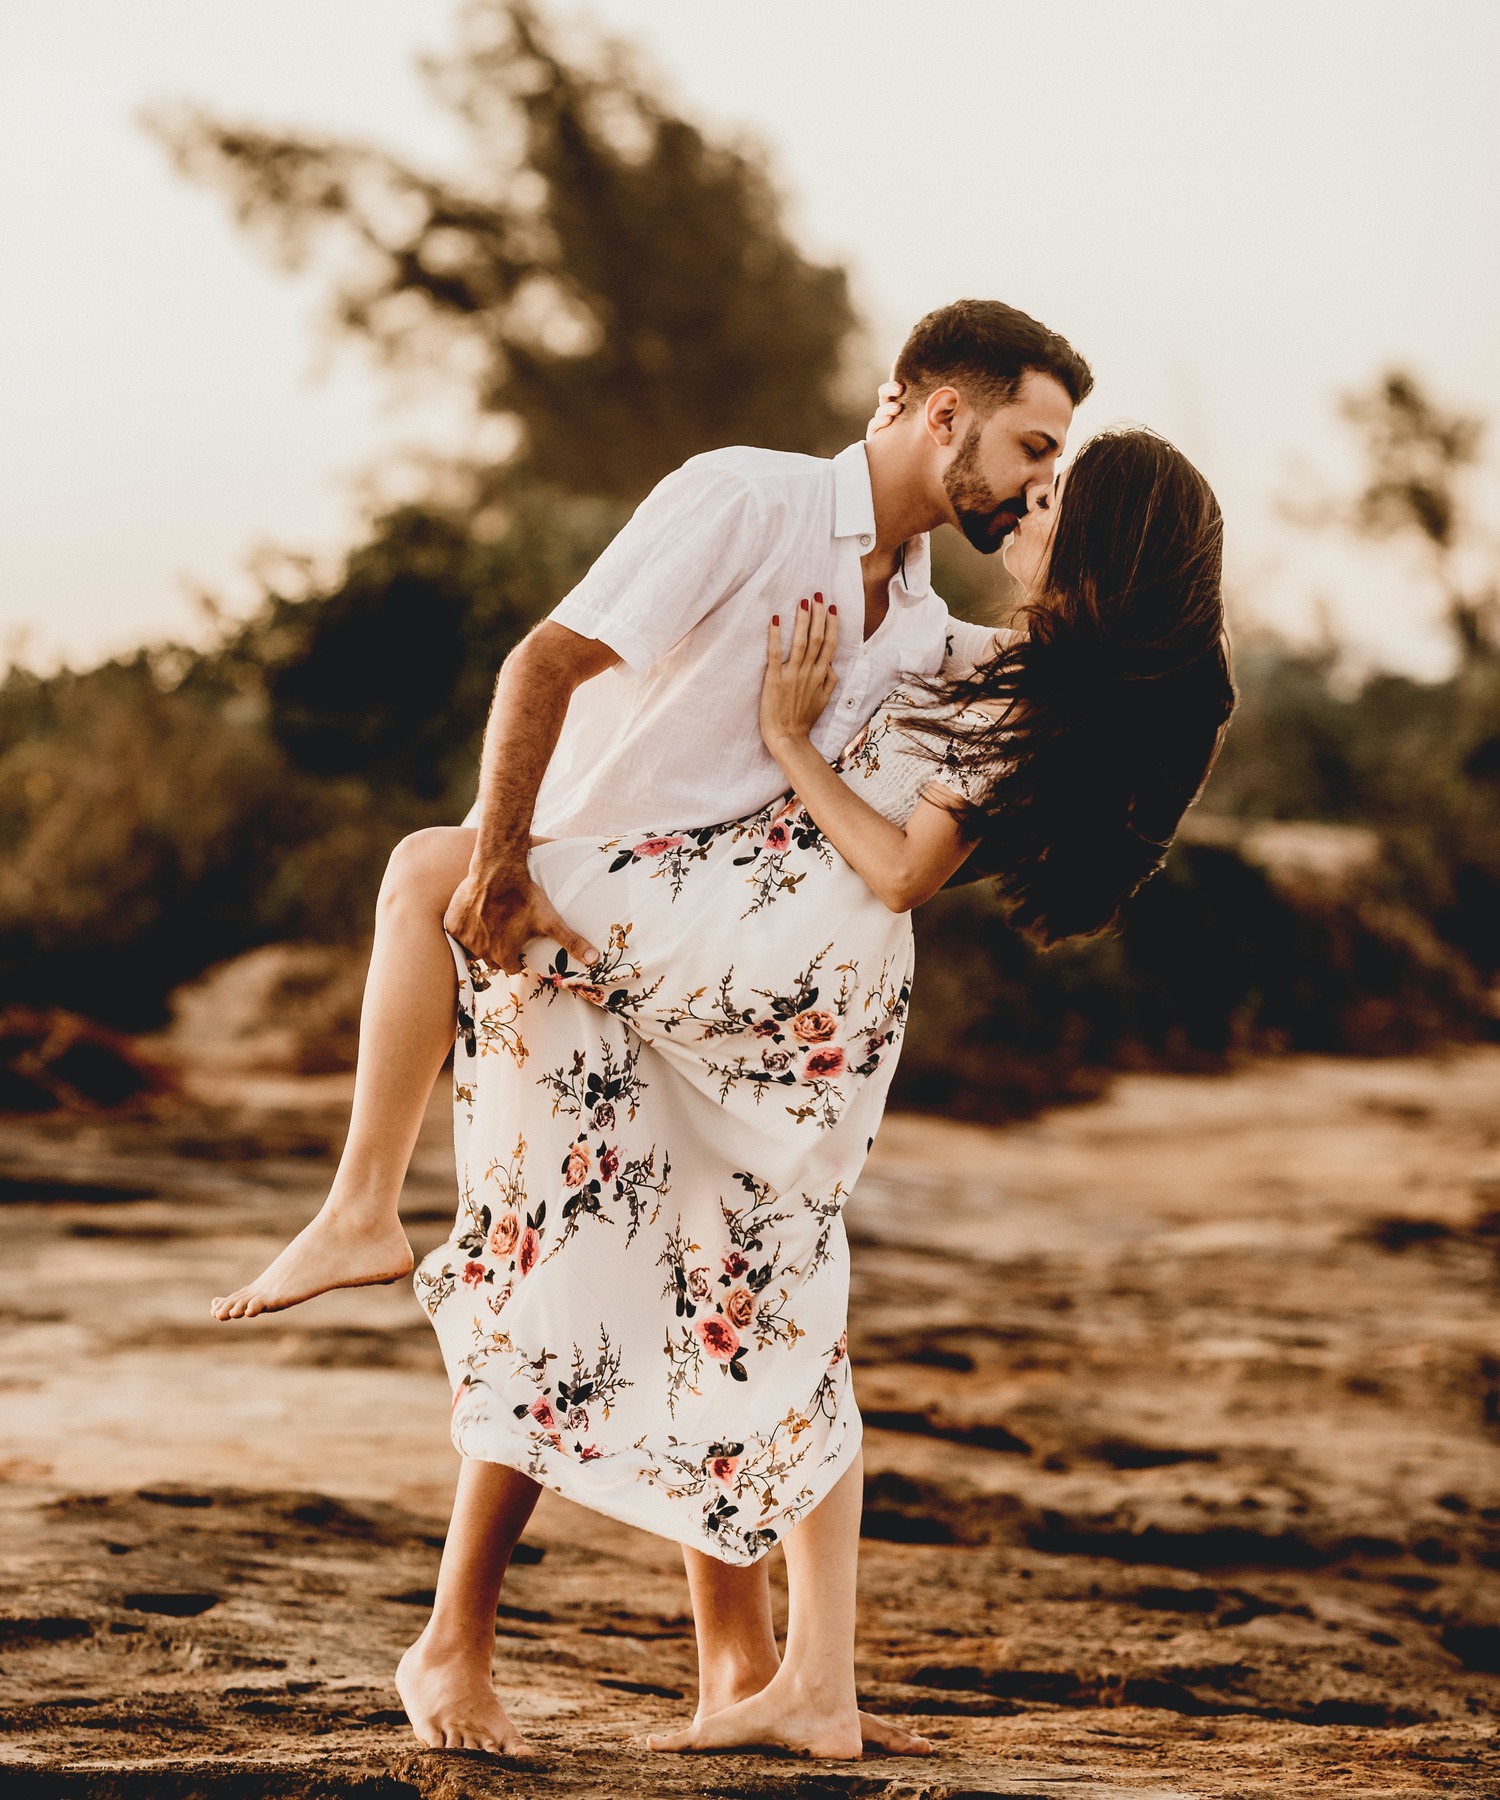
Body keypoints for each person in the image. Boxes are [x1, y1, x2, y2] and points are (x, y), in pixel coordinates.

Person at [211, 307, 1230, 1759]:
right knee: (732, 1295)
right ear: (939, 415)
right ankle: (747, 1672)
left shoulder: (950, 640)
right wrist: (521, 854)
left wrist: (782, 739)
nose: (1030, 484)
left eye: (1058, 474)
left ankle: (364, 1218)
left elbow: (897, 853)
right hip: (696, 968)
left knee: (441, 925)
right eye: (1030, 449)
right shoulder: (756, 506)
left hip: (727, 962)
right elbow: (540, 669)